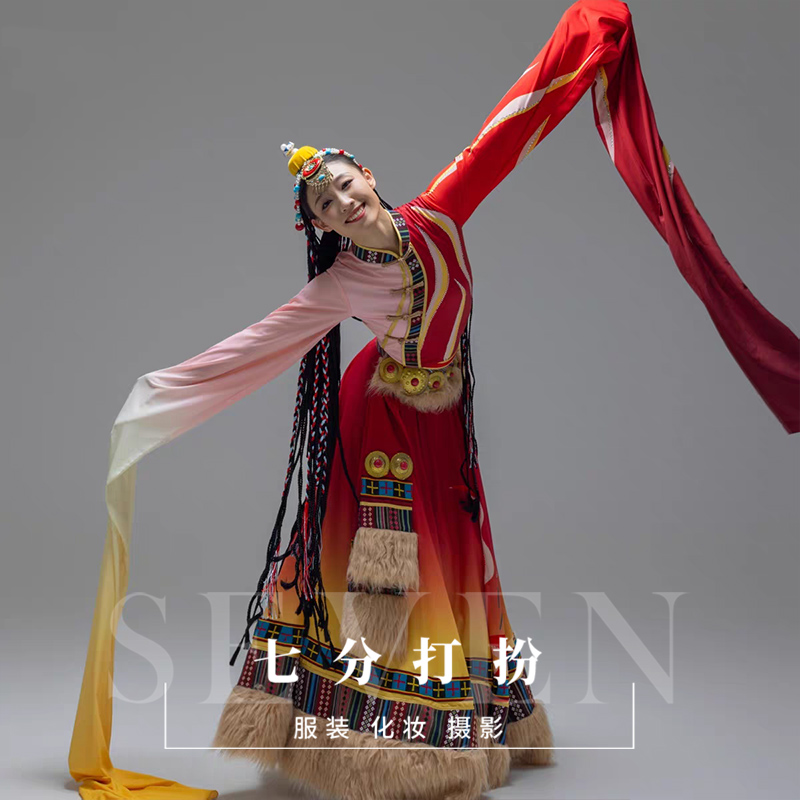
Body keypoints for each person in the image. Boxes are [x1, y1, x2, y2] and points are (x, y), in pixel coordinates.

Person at [68, 1, 800, 799]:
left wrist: (587, 34)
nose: (343, 204)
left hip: (443, 422)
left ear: (368, 177)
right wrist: (155, 396)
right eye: (325, 206)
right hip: (379, 428)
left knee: (454, 563)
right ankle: (387, 747)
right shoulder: (339, 283)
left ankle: (458, 723)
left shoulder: (442, 213)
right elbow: (254, 348)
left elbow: (508, 129)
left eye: (345, 187)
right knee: (385, 577)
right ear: (321, 225)